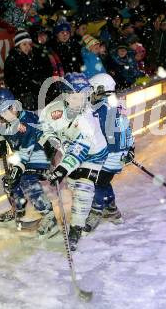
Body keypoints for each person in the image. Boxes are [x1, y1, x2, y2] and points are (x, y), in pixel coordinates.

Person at [38, 73, 108, 250]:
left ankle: (76, 228)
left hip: (94, 155)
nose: (82, 100)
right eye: (77, 96)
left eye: (84, 96)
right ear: (67, 96)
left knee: (84, 190)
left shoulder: (87, 119)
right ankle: (67, 214)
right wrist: (49, 144)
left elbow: (79, 151)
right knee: (74, 185)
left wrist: (61, 170)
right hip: (68, 152)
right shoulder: (52, 110)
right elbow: (45, 128)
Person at [0, 88, 58, 236]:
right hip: (24, 157)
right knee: (9, 180)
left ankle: (49, 215)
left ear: (13, 106)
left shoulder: (27, 122)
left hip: (40, 156)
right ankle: (18, 208)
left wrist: (18, 169)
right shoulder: (3, 118)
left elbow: (27, 151)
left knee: (26, 179)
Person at [84, 73, 134, 232]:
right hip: (116, 154)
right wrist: (130, 148)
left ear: (100, 89)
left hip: (109, 154)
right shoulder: (114, 104)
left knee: (97, 182)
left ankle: (96, 211)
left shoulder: (101, 109)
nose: (89, 94)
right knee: (103, 181)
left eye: (91, 90)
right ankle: (112, 211)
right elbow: (126, 127)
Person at [4, 30, 42, 111]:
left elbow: (36, 73)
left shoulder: (30, 56)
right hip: (22, 96)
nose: (28, 47)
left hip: (33, 93)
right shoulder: (13, 59)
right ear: (18, 46)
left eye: (29, 44)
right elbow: (13, 81)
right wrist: (31, 84)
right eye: (24, 44)